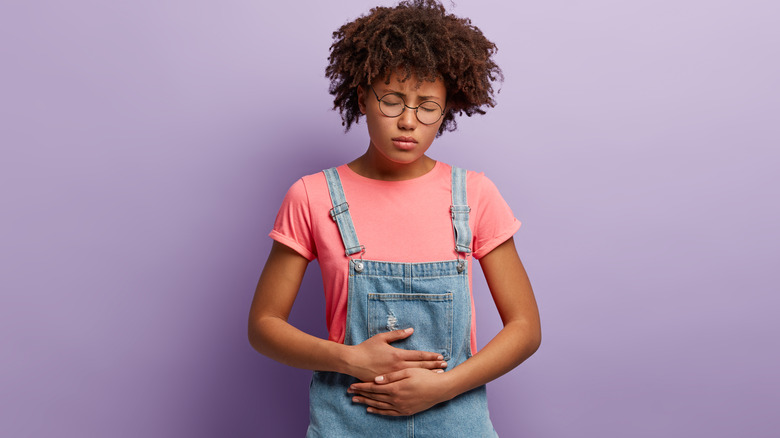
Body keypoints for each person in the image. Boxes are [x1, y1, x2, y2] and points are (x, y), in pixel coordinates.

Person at [248, 1, 541, 436]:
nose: (408, 121)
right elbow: (263, 326)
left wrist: (442, 388)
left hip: (456, 422)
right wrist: (349, 358)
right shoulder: (312, 196)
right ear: (362, 96)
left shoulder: (474, 195)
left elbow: (526, 328)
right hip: (346, 423)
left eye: (427, 106)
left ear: (447, 110)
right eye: (392, 101)